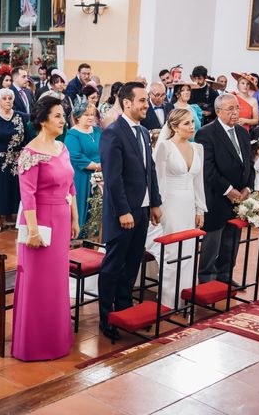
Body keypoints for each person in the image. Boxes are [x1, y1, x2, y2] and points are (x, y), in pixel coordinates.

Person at [12, 96, 79, 361]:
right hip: (39, 222)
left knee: (58, 282)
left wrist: (74, 219)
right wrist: (34, 231)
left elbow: (71, 185)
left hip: (62, 221)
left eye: (63, 116)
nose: (63, 121)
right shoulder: (30, 154)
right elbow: (27, 195)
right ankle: (34, 343)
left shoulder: (62, 148)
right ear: (43, 120)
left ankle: (57, 339)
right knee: (39, 283)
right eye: (58, 116)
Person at [99, 82, 162, 339]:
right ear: (127, 103)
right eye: (142, 101)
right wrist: (123, 211)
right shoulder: (113, 132)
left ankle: (124, 311)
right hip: (122, 212)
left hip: (143, 208)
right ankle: (106, 319)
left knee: (133, 262)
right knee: (114, 265)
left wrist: (155, 202)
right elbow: (113, 178)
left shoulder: (144, 132)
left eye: (146, 100)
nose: (147, 105)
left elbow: (151, 170)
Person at [195, 93, 254, 286]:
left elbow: (249, 164)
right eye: (231, 109)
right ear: (218, 111)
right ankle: (206, 278)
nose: (236, 112)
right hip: (217, 196)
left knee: (232, 238)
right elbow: (208, 168)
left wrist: (247, 187)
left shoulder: (243, 132)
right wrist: (228, 190)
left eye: (237, 108)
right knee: (213, 239)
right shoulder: (206, 133)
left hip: (239, 197)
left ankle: (225, 274)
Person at [152, 108, 206, 309]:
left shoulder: (198, 148)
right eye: (186, 123)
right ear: (174, 126)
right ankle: (168, 300)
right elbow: (156, 179)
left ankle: (185, 299)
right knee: (173, 252)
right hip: (170, 204)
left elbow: (198, 182)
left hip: (189, 205)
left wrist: (200, 210)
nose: (192, 126)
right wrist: (156, 206)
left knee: (190, 252)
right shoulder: (165, 147)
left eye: (192, 122)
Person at [0, 88, 29, 232]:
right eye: (4, 99)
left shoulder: (21, 117)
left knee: (15, 189)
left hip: (16, 160)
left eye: (10, 98)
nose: (8, 101)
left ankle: (15, 219)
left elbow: (27, 138)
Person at [64, 101, 101, 229]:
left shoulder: (97, 130)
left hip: (100, 174)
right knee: (82, 204)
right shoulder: (73, 134)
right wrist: (96, 166)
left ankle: (94, 236)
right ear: (78, 117)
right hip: (82, 175)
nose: (91, 117)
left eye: (92, 114)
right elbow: (75, 155)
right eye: (86, 114)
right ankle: (78, 234)